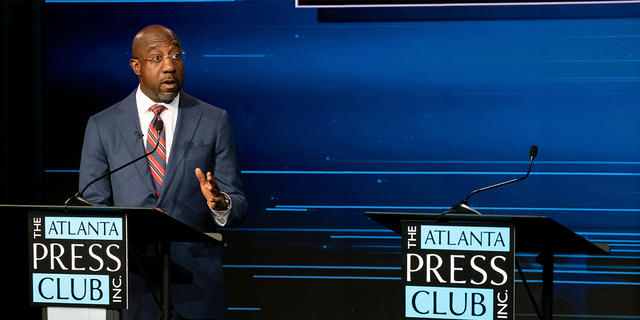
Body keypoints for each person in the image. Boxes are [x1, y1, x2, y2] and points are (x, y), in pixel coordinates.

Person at [78, 24, 247, 320]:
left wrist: (220, 204)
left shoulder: (213, 120)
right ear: (136, 66)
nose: (169, 66)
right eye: (157, 58)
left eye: (176, 55)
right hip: (131, 283)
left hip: (197, 285)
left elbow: (238, 202)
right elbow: (94, 209)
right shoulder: (103, 125)